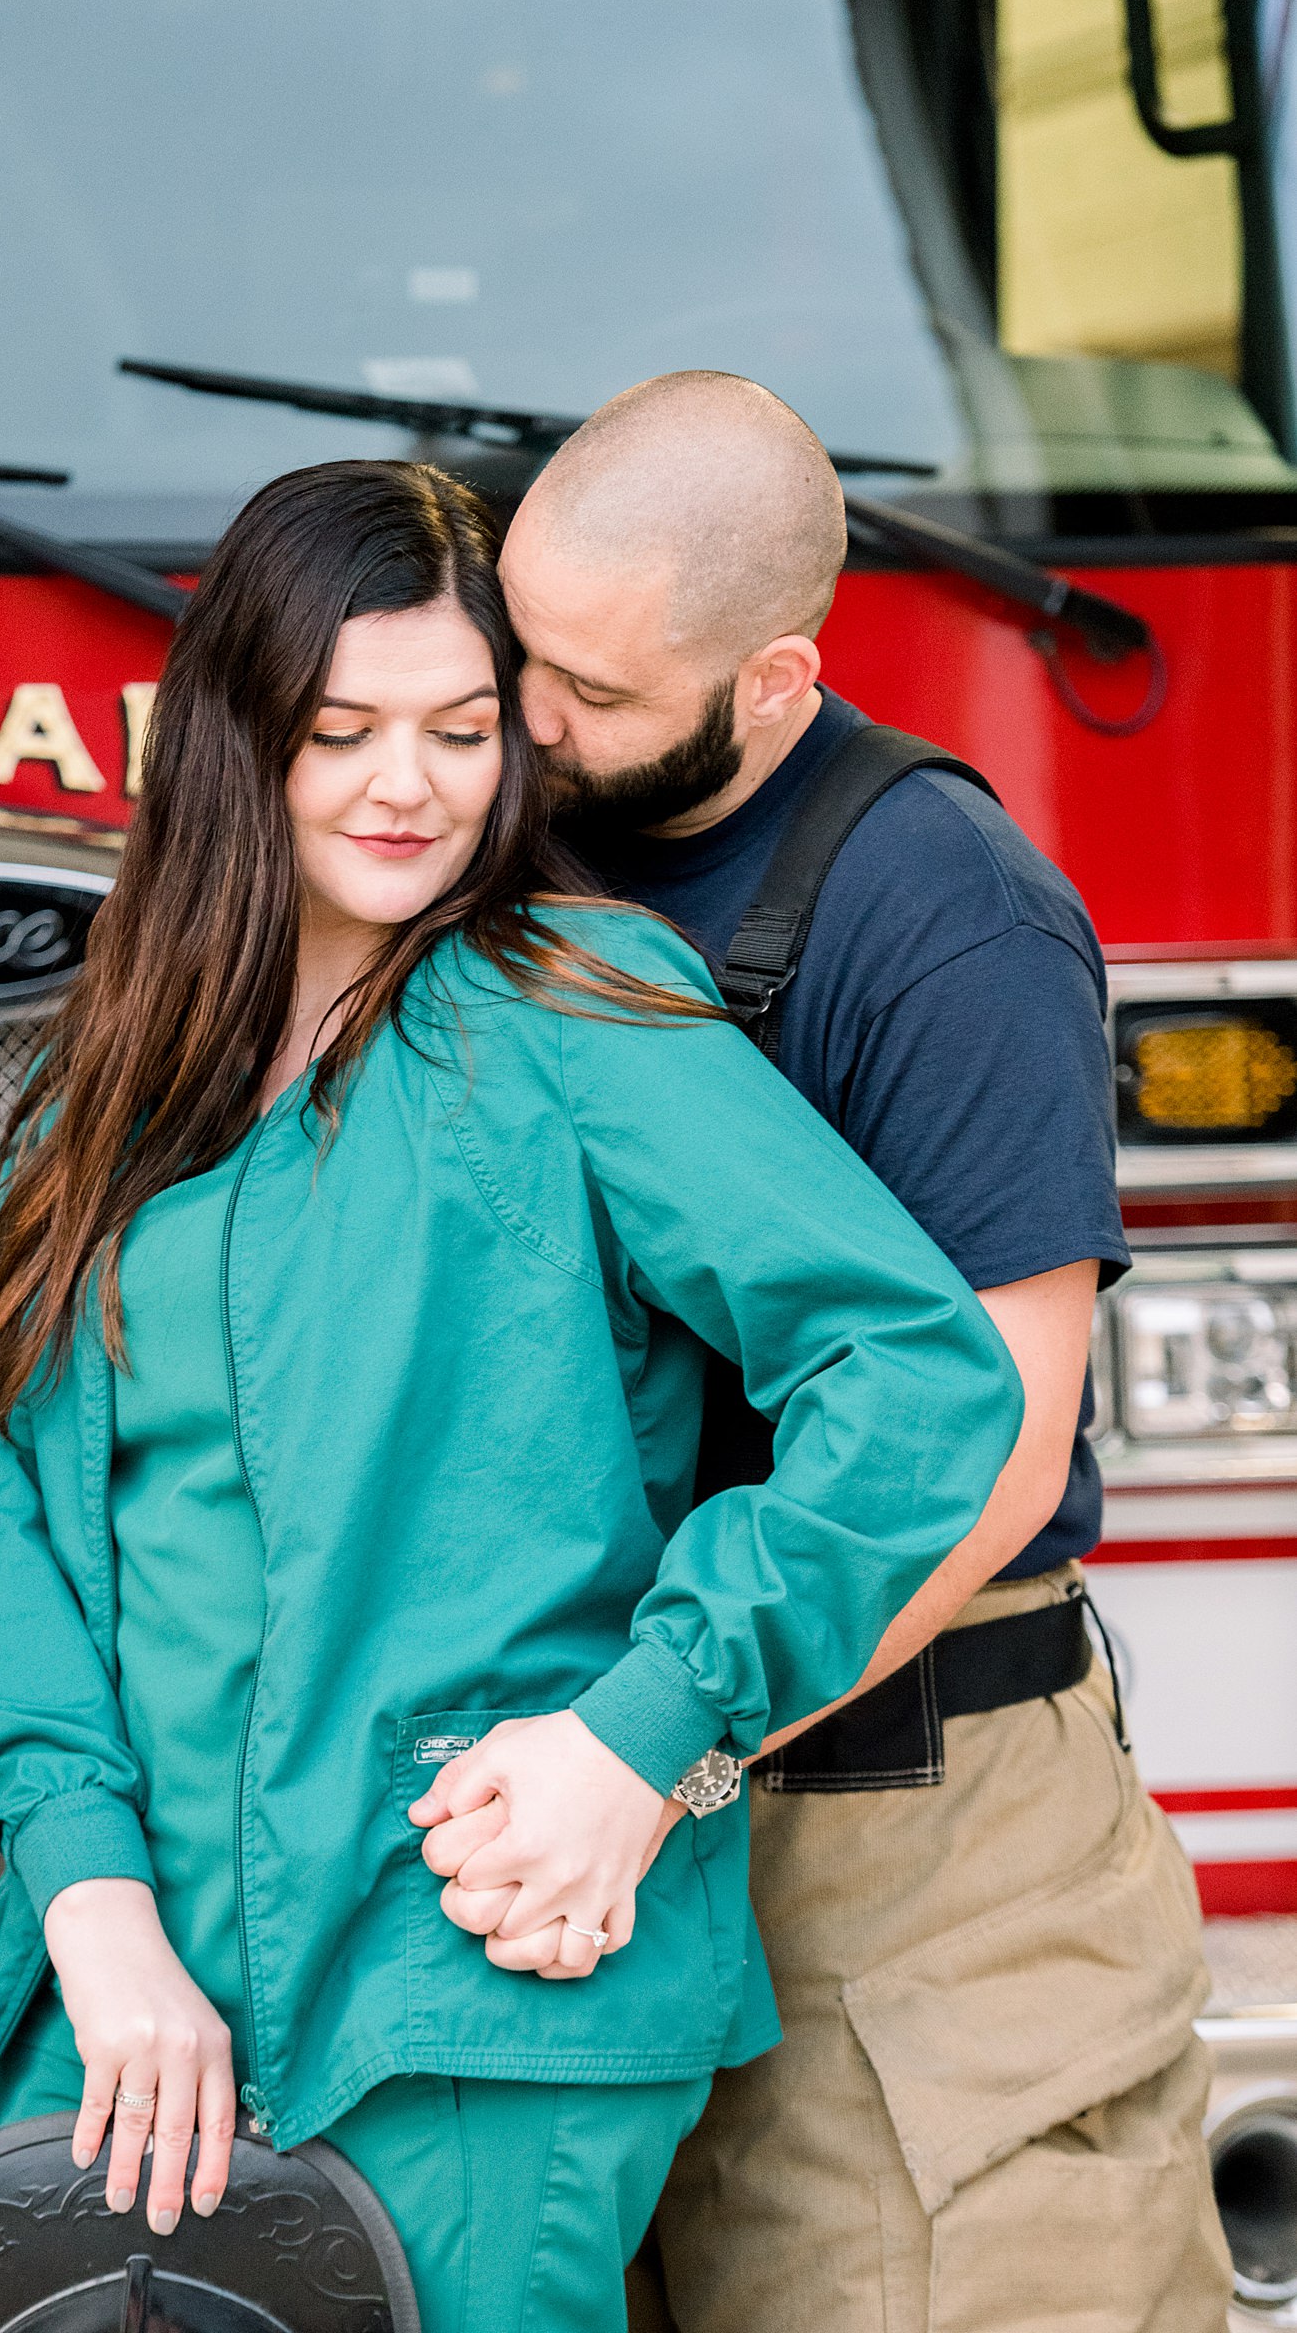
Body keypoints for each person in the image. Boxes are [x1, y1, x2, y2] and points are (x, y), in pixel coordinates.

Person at [0, 458, 1024, 2333]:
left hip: (467, 1983)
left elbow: (912, 1379)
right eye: (341, 731)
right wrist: (89, 1903)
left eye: (462, 728)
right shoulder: (117, 1071)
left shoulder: (570, 1009)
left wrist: (646, 1731)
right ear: (239, 744)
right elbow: (0, 1484)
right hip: (139, 1989)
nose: (409, 785)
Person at [475, 372, 1232, 2333]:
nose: (531, 727)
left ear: (778, 682)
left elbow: (989, 1452)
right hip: (577, 1814)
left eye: (601, 696)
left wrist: (659, 1749)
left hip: (909, 1852)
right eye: (519, 657)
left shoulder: (946, 913)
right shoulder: (513, 836)